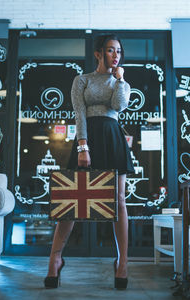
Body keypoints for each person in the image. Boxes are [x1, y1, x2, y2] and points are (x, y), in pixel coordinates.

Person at [44, 34, 134, 290]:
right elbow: (79, 114)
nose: (115, 55)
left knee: (119, 200)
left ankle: (122, 262)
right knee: (70, 200)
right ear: (98, 53)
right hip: (88, 138)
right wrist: (83, 146)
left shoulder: (123, 83)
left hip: (113, 138)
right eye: (110, 50)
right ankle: (55, 258)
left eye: (118, 51)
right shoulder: (81, 80)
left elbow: (118, 106)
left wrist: (119, 80)